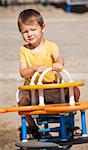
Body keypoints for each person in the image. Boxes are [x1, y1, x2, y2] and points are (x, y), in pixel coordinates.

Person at [17, 9, 80, 140]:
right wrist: (34, 68)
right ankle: (33, 128)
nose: (29, 34)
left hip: (51, 87)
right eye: (25, 31)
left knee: (75, 91)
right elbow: (23, 72)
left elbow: (59, 58)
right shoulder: (24, 50)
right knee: (22, 102)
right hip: (33, 90)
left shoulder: (51, 46)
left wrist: (58, 64)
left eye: (33, 29)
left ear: (42, 27)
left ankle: (69, 122)